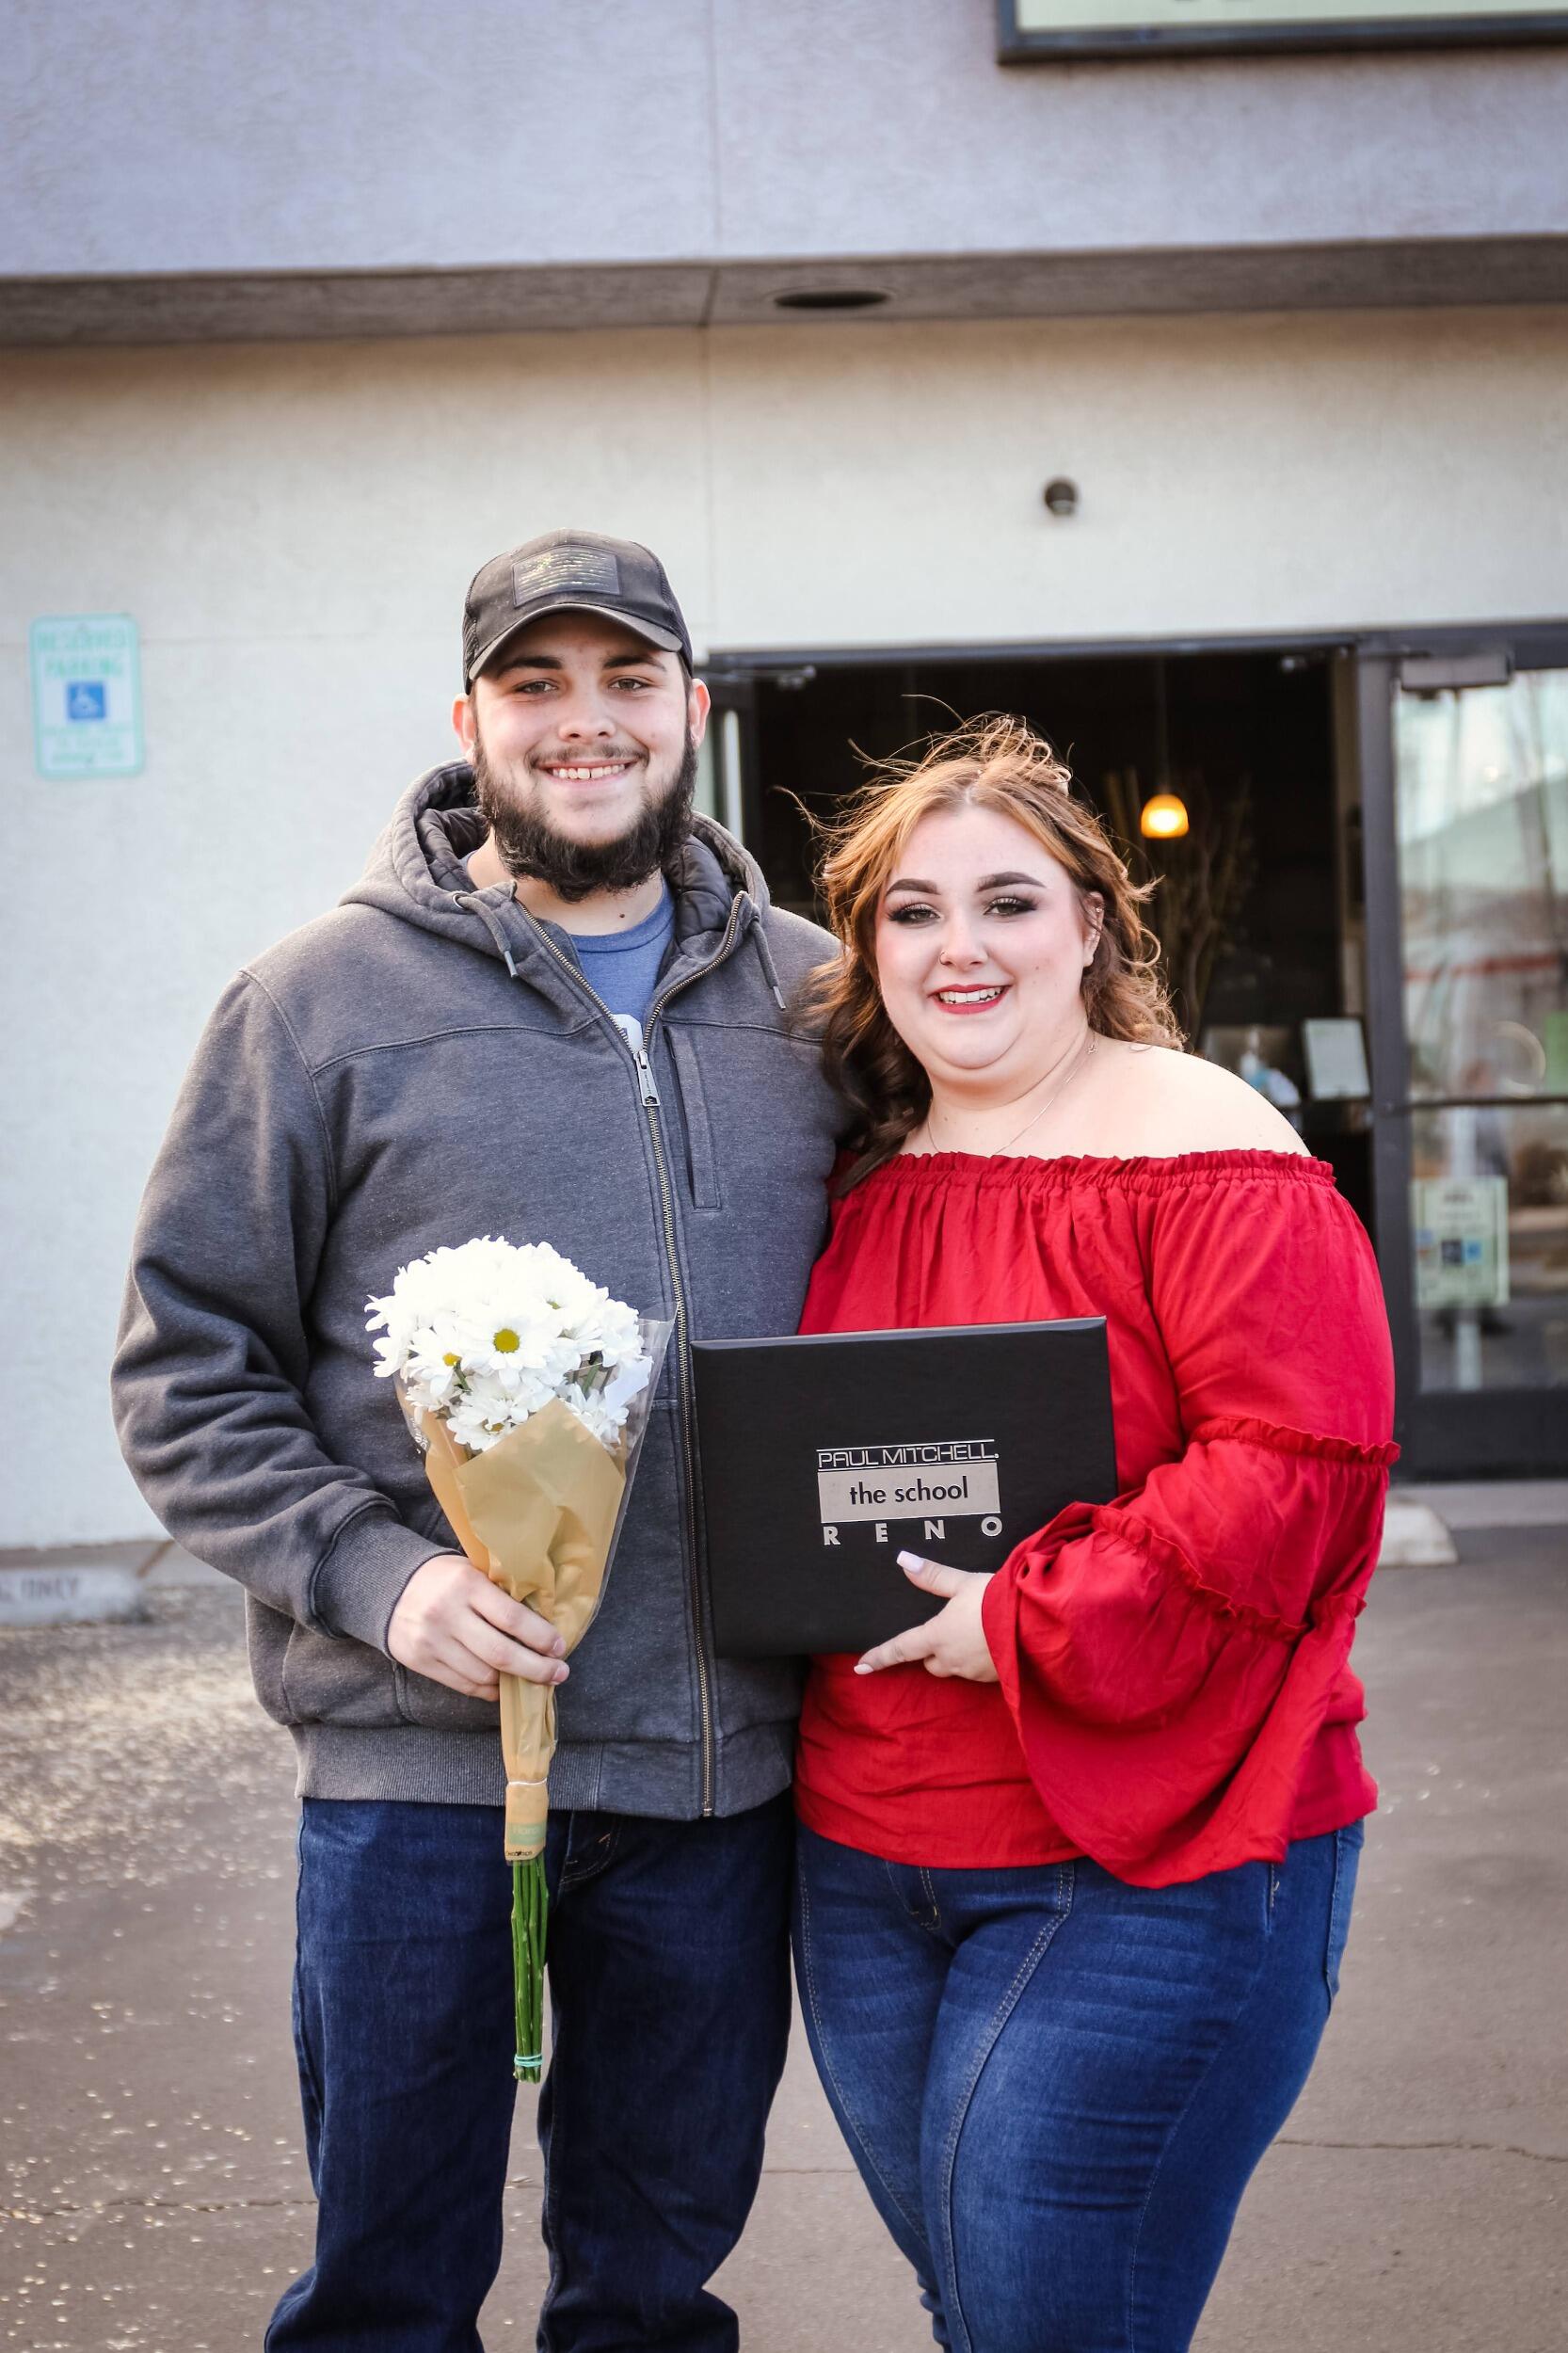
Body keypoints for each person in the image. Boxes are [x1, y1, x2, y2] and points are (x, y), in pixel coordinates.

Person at [112, 529, 843, 2352]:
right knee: (386, 2290)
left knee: (650, 2293)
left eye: (625, 680)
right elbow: (186, 1370)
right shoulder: (315, 1005)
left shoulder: (820, 998)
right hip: (416, 1778)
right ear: (469, 722)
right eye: (535, 684)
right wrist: (383, 1581)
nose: (584, 722)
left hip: (714, 1772)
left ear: (691, 708)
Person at [790, 716, 1397, 2353]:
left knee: (1047, 2319)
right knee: (984, 2313)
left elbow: (1293, 1468)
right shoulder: (856, 1177)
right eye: (912, 911)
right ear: (867, 949)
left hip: (1150, 1847)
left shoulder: (1205, 1142)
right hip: (862, 1854)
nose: (960, 947)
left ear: (1090, 927)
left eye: (1007, 902)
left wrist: (1025, 1618)